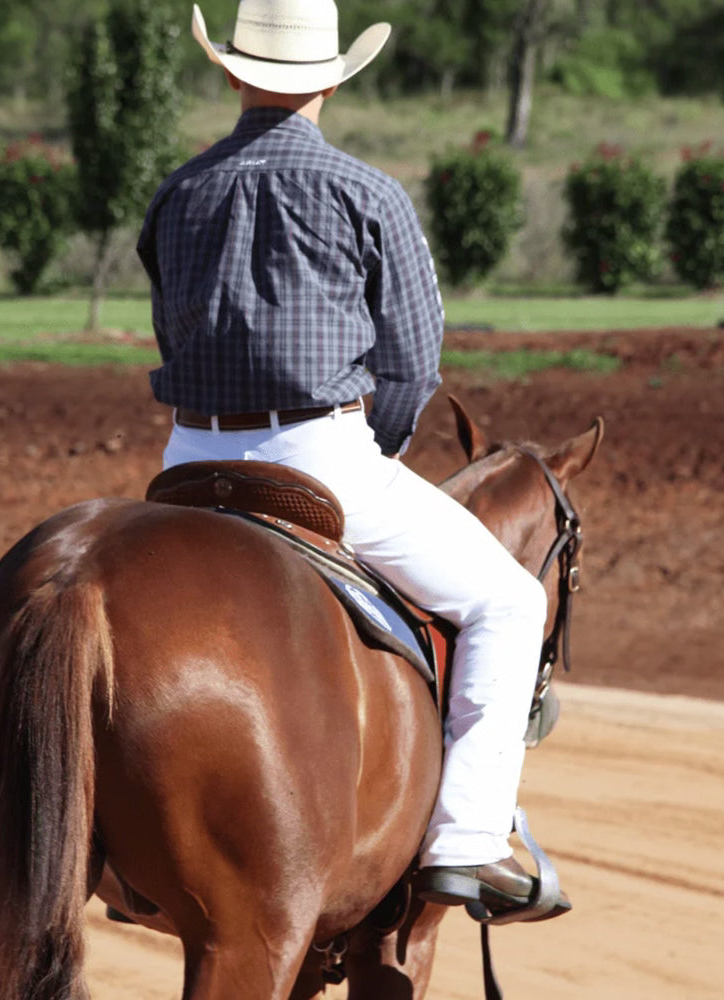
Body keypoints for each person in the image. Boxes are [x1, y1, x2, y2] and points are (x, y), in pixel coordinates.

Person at [137, 0, 569, 921]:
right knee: (510, 600)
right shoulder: (368, 193)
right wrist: (378, 448)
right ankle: (468, 842)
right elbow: (413, 362)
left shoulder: (176, 193)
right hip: (320, 456)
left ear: (231, 73)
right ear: (332, 78)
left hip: (184, 462)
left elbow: (170, 326)